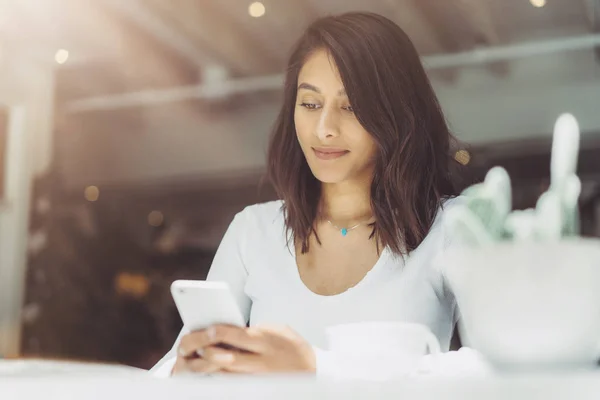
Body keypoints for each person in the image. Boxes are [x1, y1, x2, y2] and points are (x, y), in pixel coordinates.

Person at [151, 11, 466, 377]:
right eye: (311, 104)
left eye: (351, 107)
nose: (324, 129)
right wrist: (181, 374)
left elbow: (497, 368)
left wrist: (315, 368)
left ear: (397, 113)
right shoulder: (254, 231)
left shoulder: (451, 228)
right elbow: (170, 367)